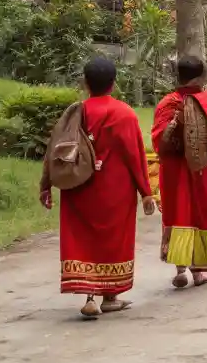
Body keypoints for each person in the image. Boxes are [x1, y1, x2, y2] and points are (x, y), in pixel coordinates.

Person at [41, 56, 155, 320]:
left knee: (83, 236)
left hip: (78, 186)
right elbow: (135, 156)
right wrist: (146, 192)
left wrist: (45, 185)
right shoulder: (124, 113)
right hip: (114, 190)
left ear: (85, 83)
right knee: (112, 239)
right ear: (113, 84)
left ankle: (89, 293)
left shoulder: (75, 112)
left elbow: (54, 149)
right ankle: (109, 297)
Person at [152, 55, 207, 289]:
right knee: (202, 211)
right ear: (202, 77)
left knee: (177, 211)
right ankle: (199, 271)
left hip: (174, 169)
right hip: (202, 170)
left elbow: (159, 140)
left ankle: (180, 268)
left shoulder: (167, 103)